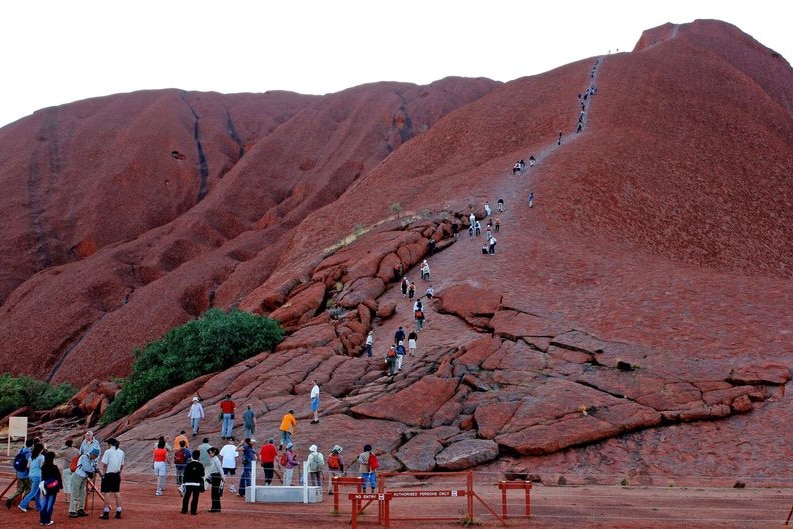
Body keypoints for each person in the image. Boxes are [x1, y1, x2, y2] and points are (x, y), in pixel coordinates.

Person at [68, 447, 99, 518]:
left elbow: (94, 467)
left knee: (83, 494)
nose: (95, 458)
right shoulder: (84, 457)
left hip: (84, 477)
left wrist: (94, 469)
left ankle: (80, 509)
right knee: (75, 493)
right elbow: (86, 468)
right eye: (95, 456)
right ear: (92, 454)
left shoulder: (92, 459)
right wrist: (93, 470)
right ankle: (72, 511)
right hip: (77, 476)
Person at [99, 437, 124, 519]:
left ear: (110, 444)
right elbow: (122, 465)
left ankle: (106, 513)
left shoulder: (108, 452)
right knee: (117, 492)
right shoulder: (121, 452)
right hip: (116, 474)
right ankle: (119, 512)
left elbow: (105, 464)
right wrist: (119, 471)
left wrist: (104, 474)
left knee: (107, 493)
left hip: (109, 474)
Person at [6, 438, 33, 509]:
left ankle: (10, 498)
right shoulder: (29, 453)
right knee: (29, 489)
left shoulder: (21, 450)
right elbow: (28, 465)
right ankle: (24, 504)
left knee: (21, 489)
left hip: (19, 473)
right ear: (32, 445)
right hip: (26, 474)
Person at [18, 441, 44, 513]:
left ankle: (39, 507)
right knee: (33, 492)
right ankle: (22, 504)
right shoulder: (41, 457)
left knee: (37, 492)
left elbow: (28, 466)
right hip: (38, 475)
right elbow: (41, 466)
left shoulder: (31, 457)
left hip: (31, 475)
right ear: (41, 449)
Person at [38, 450, 63, 526]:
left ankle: (42, 520)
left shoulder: (43, 467)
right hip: (53, 487)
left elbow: (43, 477)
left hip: (45, 486)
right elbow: (58, 477)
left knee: (44, 503)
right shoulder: (54, 467)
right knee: (50, 504)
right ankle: (47, 520)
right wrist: (60, 486)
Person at [59, 439, 79, 505]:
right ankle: (72, 498)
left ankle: (67, 498)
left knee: (66, 483)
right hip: (74, 467)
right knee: (73, 483)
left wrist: (63, 447)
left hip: (66, 467)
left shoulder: (65, 451)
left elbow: (58, 452)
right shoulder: (76, 450)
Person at [206, 447, 223, 513]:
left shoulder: (215, 460)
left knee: (214, 493)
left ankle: (215, 508)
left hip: (216, 476)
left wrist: (222, 477)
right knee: (215, 493)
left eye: (210, 453)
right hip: (215, 476)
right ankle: (216, 507)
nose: (209, 454)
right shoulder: (214, 459)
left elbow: (220, 468)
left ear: (214, 452)